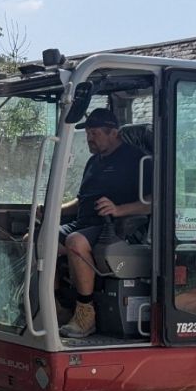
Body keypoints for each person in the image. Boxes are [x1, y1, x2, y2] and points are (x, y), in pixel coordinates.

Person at [58, 107, 151, 338]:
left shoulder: (137, 160)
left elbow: (154, 202)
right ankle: (57, 306)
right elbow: (82, 201)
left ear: (113, 132)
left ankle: (85, 315)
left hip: (114, 229)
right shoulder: (93, 162)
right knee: (36, 241)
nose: (89, 138)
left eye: (95, 133)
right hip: (83, 222)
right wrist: (52, 212)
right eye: (88, 133)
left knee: (75, 242)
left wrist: (119, 209)